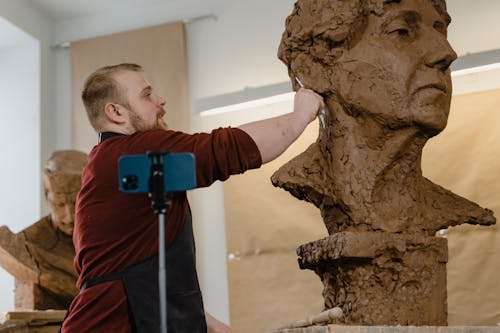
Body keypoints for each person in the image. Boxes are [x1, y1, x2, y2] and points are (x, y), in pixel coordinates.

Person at [61, 63, 324, 332]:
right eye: (146, 95)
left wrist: (211, 326)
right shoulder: (132, 152)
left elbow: (144, 277)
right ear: (115, 112)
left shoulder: (111, 162)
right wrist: (300, 116)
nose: (159, 101)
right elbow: (228, 149)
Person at [272, 0, 495, 236]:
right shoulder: (307, 178)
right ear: (315, 68)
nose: (446, 52)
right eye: (402, 31)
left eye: (440, 31)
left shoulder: (442, 206)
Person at [0, 150, 87, 310]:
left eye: (77, 204)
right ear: (46, 195)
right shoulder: (28, 244)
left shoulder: (111, 237)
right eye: (59, 204)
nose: (69, 217)